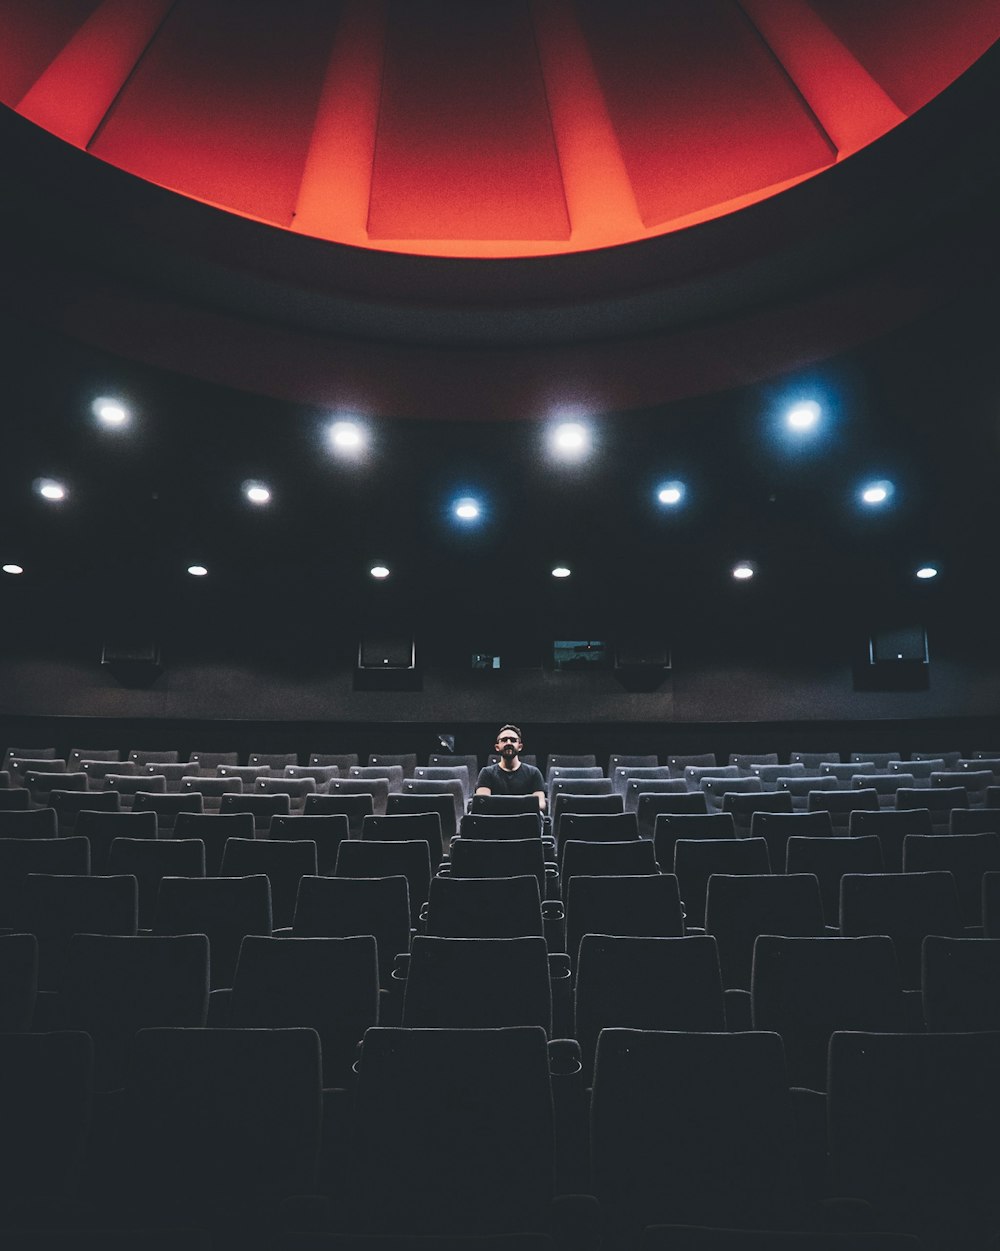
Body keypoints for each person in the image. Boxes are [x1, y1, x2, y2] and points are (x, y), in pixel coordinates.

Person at [475, 725, 546, 811]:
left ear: (520, 747)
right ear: (497, 747)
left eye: (513, 740)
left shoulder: (534, 773)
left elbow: (541, 805)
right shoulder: (486, 773)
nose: (508, 743)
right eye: (504, 740)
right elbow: (482, 804)